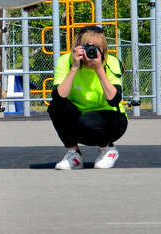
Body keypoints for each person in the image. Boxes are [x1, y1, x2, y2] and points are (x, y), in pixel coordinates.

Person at [48, 25, 126, 170]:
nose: (92, 52)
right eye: (87, 48)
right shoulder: (66, 61)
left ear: (103, 50)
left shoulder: (111, 62)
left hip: (111, 118)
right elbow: (58, 98)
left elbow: (114, 99)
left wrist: (98, 69)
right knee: (55, 107)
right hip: (80, 116)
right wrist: (74, 67)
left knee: (88, 121)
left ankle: (108, 149)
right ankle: (74, 154)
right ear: (78, 47)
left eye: (97, 48)